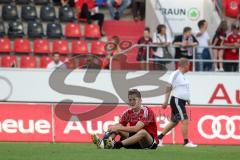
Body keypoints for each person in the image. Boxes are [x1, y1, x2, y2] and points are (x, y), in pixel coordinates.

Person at [92, 89, 159, 149]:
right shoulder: (127, 112)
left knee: (142, 132)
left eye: (134, 99)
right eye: (130, 100)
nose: (132, 102)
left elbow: (136, 128)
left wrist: (118, 128)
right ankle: (104, 143)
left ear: (140, 100)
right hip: (133, 140)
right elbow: (119, 126)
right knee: (117, 126)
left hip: (148, 143)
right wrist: (115, 127)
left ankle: (116, 145)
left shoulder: (147, 111)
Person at [158, 58, 197, 148]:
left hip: (181, 101)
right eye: (188, 65)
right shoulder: (175, 74)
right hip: (177, 100)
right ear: (185, 65)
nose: (189, 67)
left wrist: (187, 99)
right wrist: (165, 101)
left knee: (174, 122)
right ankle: (186, 142)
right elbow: (168, 86)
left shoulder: (182, 76)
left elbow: (182, 89)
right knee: (185, 120)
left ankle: (159, 138)